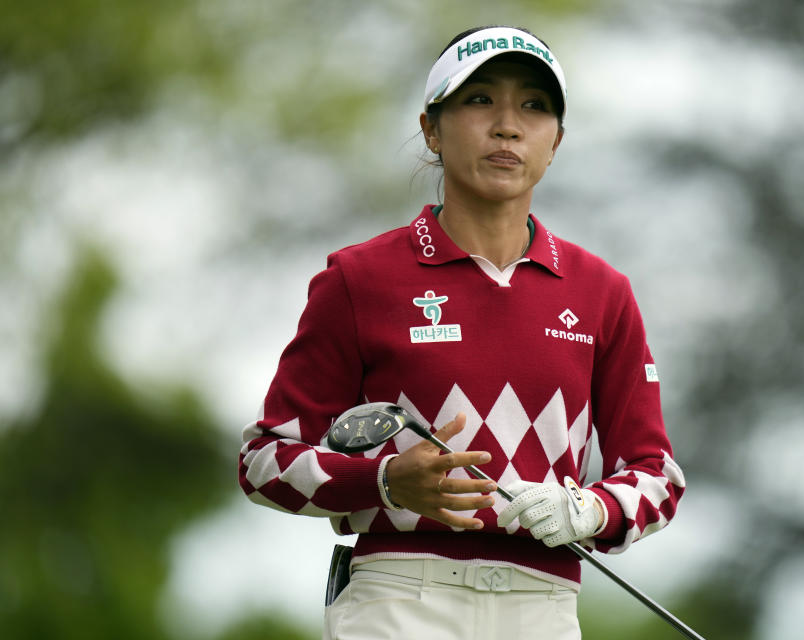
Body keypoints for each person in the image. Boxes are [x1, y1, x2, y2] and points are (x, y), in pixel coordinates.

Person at [238, 25, 685, 640]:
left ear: (556, 141)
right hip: (398, 601)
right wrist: (386, 482)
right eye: (479, 101)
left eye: (533, 106)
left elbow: (656, 475)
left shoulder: (602, 293)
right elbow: (264, 461)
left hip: (544, 606)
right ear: (431, 128)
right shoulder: (360, 278)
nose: (507, 126)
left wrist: (587, 508)